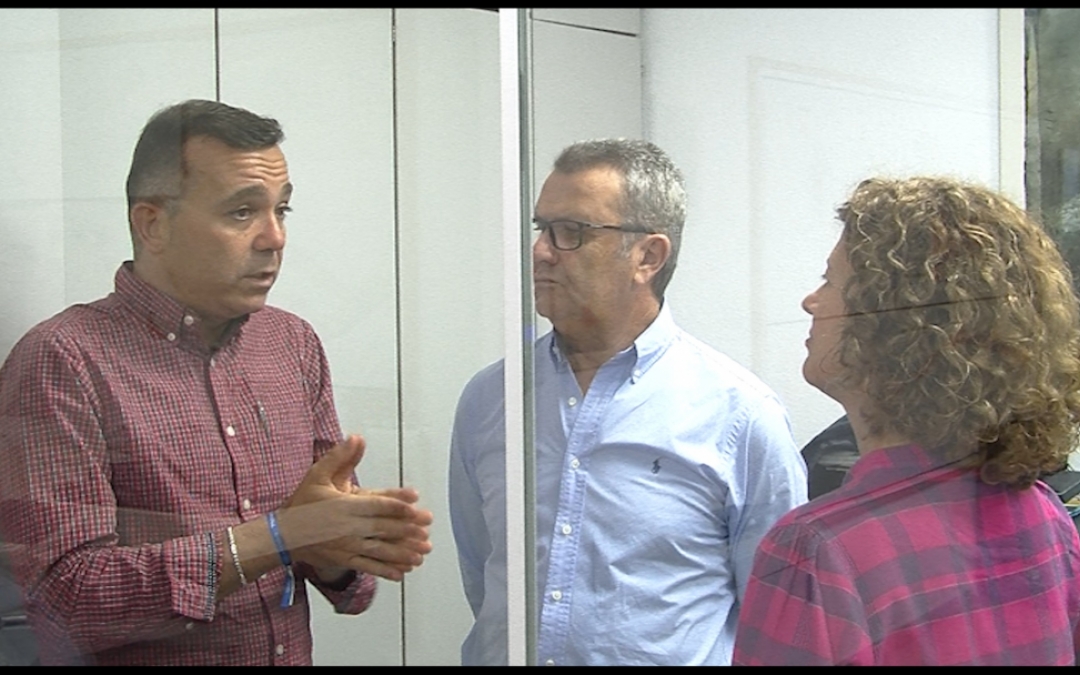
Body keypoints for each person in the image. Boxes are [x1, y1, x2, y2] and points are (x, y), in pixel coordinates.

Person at [0, 99, 434, 666]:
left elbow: (348, 581)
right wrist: (276, 536)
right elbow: (67, 602)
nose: (274, 237)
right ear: (153, 224)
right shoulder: (64, 360)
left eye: (282, 209)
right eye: (242, 212)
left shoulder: (291, 343)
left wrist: (337, 544)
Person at [448, 138, 808, 666]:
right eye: (541, 228)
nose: (541, 251)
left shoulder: (740, 416)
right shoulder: (491, 400)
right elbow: (483, 576)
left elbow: (779, 620)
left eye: (571, 232)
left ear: (648, 256)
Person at [733, 176, 1080, 665]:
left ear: (890, 323)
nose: (811, 302)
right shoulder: (1043, 514)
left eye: (830, 281)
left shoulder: (817, 553)